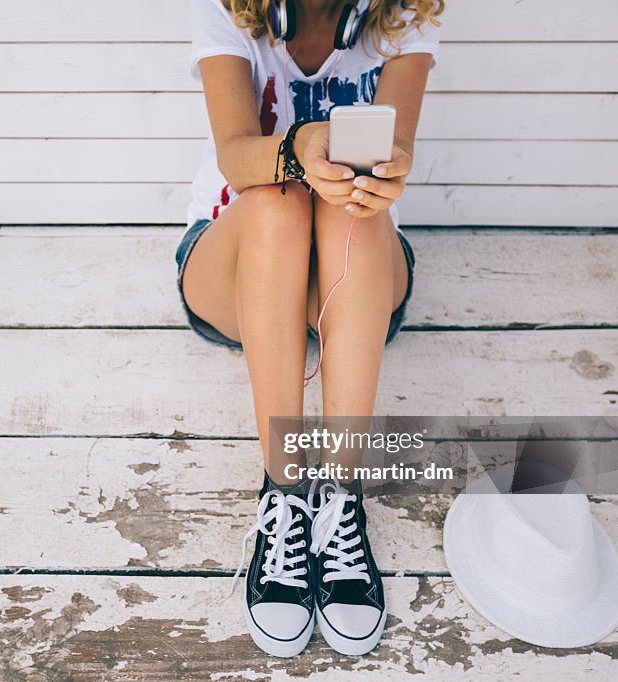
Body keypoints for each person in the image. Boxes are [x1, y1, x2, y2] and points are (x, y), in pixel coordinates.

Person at [176, 0, 443, 657]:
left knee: (348, 215)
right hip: (241, 264)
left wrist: (386, 175)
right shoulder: (227, 9)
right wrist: (299, 151)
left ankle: (339, 494)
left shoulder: (408, 13)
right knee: (279, 206)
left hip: (354, 273)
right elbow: (238, 156)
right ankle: (286, 492)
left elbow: (398, 144)